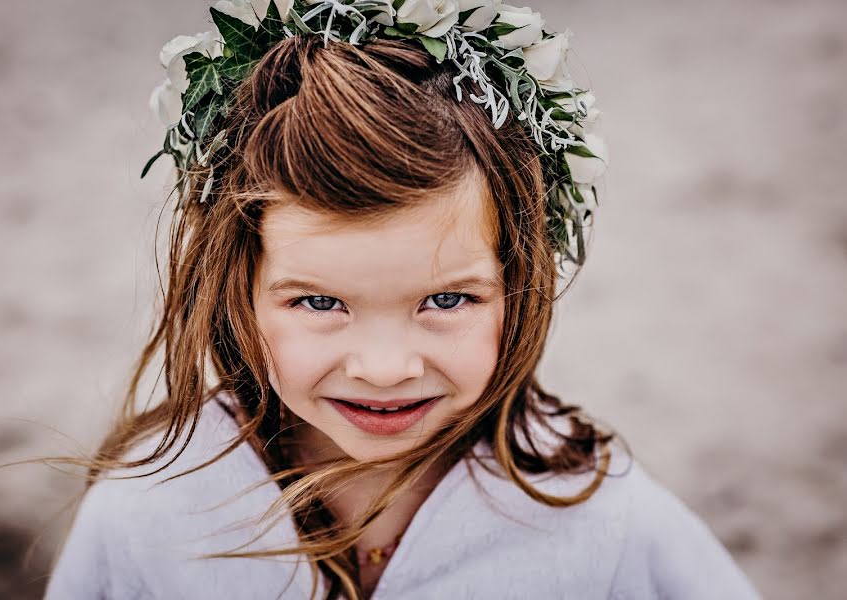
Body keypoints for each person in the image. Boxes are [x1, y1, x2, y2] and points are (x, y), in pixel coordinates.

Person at [44, 1, 763, 598]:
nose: (385, 369)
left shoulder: (603, 522)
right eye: (320, 303)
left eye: (447, 299)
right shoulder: (149, 514)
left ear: (521, 284)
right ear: (239, 289)